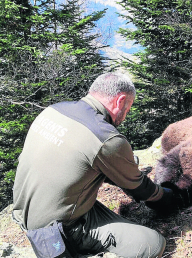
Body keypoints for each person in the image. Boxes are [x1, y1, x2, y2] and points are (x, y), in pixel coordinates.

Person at [12, 73, 173, 258]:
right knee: (153, 244)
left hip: (26, 210)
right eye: (128, 109)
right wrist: (167, 196)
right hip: (57, 231)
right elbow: (140, 189)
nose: (126, 115)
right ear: (120, 101)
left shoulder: (53, 110)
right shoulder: (105, 137)